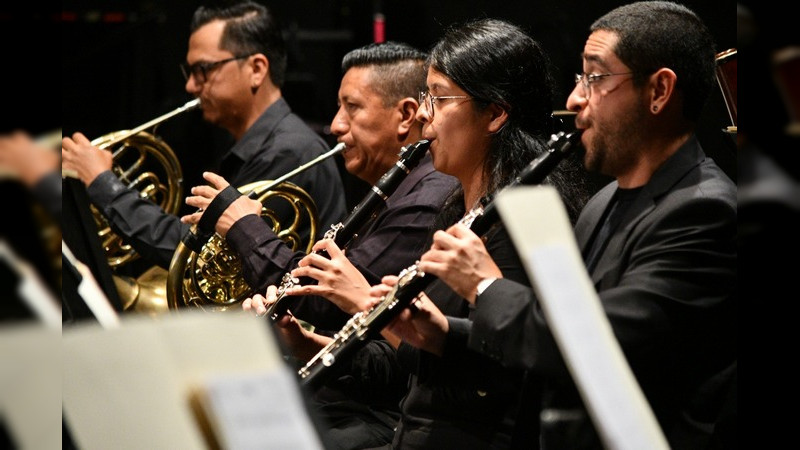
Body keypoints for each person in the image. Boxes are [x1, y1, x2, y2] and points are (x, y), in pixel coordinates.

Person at [383, 2, 737, 449]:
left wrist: (484, 286)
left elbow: (598, 348)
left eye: (595, 78)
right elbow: (549, 334)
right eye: (578, 79)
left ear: (659, 91)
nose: (574, 100)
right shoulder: (604, 202)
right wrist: (446, 336)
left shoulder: (703, 212)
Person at [263, 19, 589, 449]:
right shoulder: (456, 210)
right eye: (424, 97)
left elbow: (506, 378)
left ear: (494, 113)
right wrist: (308, 343)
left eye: (437, 98)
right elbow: (413, 366)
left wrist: (367, 304)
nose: (423, 115)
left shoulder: (523, 218)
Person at [183, 41, 459, 449]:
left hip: (380, 416)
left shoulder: (427, 196)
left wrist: (244, 226)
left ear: (405, 116)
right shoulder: (393, 191)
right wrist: (302, 341)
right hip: (355, 395)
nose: (335, 125)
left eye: (352, 107)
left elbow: (323, 302)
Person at [60, 1, 346, 270]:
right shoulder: (267, 145)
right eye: (189, 71)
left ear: (256, 69)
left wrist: (104, 184)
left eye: (203, 70)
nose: (190, 85)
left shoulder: (288, 152)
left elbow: (200, 257)